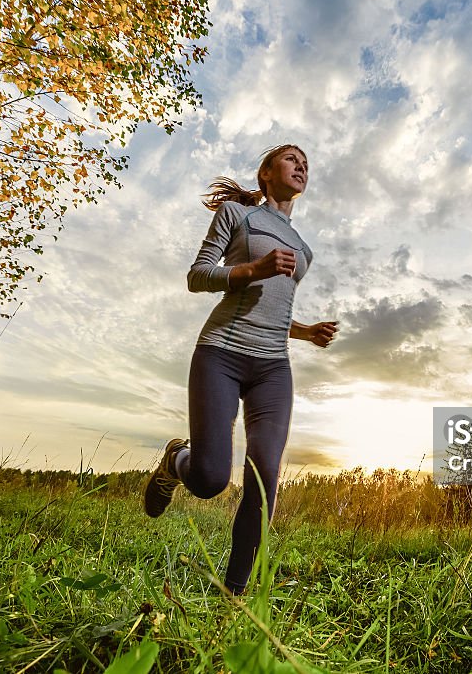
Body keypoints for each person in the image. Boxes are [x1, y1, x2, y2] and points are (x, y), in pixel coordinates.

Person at [143, 144, 338, 595]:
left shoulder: (304, 250)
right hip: (221, 354)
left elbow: (270, 310)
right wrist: (251, 268)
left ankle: (232, 597)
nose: (302, 166)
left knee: (264, 477)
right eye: (292, 159)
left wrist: (305, 332)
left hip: (273, 367)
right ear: (266, 172)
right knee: (211, 480)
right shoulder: (238, 215)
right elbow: (198, 276)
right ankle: (176, 460)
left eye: (306, 164)